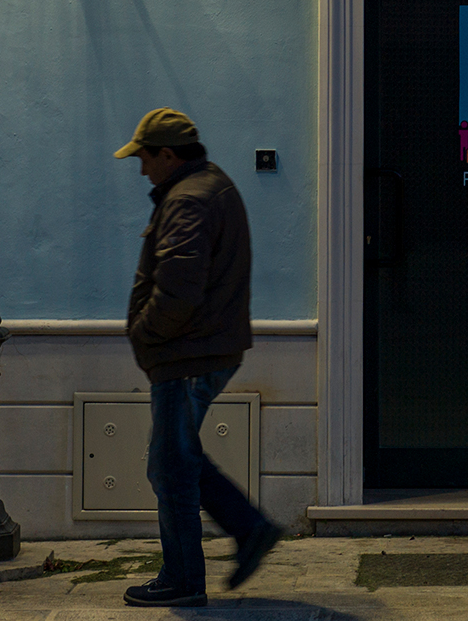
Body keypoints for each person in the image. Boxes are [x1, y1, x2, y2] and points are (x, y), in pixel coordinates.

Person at [115, 107, 280, 607]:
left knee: (170, 467)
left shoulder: (189, 200)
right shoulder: (212, 186)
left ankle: (185, 578)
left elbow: (179, 292)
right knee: (175, 462)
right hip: (201, 349)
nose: (141, 168)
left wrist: (146, 336)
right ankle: (246, 530)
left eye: (144, 158)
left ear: (167, 154)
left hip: (187, 354)